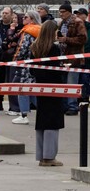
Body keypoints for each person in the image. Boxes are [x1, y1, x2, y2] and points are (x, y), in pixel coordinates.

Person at [29, 20, 65, 166]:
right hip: (53, 87)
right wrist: (63, 68)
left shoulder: (35, 46)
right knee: (53, 122)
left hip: (40, 86)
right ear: (52, 32)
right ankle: (50, 157)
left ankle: (41, 155)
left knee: (42, 120)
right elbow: (55, 70)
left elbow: (32, 69)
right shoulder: (54, 49)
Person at [11, 11, 42, 125]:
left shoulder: (27, 32)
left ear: (32, 19)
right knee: (33, 90)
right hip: (36, 64)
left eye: (26, 17)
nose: (23, 19)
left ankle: (23, 115)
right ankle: (43, 110)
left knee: (22, 89)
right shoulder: (40, 31)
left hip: (25, 65)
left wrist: (16, 59)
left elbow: (22, 48)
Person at [56, 2, 87, 116]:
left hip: (74, 58)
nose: (61, 14)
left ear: (69, 12)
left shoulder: (78, 22)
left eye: (63, 12)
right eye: (60, 12)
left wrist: (66, 39)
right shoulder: (61, 23)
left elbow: (83, 39)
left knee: (71, 83)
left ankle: (72, 106)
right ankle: (65, 106)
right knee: (63, 83)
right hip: (63, 56)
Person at [1, 12, 23, 115]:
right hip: (9, 57)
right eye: (13, 18)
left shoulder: (20, 30)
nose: (14, 20)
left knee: (14, 82)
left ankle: (16, 107)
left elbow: (11, 38)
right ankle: (12, 106)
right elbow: (7, 42)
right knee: (10, 81)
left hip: (16, 59)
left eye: (16, 18)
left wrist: (11, 30)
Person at [0, 6, 16, 111]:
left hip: (11, 56)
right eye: (3, 13)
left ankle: (13, 105)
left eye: (7, 13)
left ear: (11, 15)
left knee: (11, 79)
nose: (4, 15)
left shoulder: (14, 27)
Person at [76, 7, 90, 102]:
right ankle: (79, 97)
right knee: (79, 78)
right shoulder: (75, 26)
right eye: (77, 14)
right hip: (77, 57)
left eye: (80, 14)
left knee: (85, 78)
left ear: (85, 16)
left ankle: (84, 97)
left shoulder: (88, 27)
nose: (78, 16)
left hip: (87, 56)